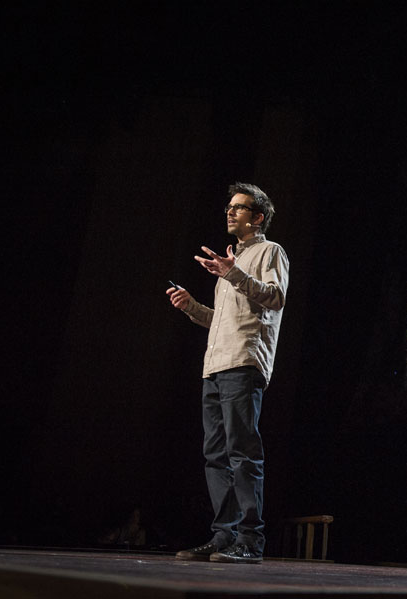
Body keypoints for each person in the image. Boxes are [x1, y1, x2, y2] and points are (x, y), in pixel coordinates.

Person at [167, 182, 289, 564]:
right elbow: (222, 319)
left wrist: (233, 273)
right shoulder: (230, 264)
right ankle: (224, 536)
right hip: (215, 366)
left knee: (242, 453)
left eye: (239, 208)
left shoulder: (271, 251)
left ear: (258, 217)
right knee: (215, 455)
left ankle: (251, 539)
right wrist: (191, 306)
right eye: (229, 207)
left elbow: (275, 297)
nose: (230, 212)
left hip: (244, 364)